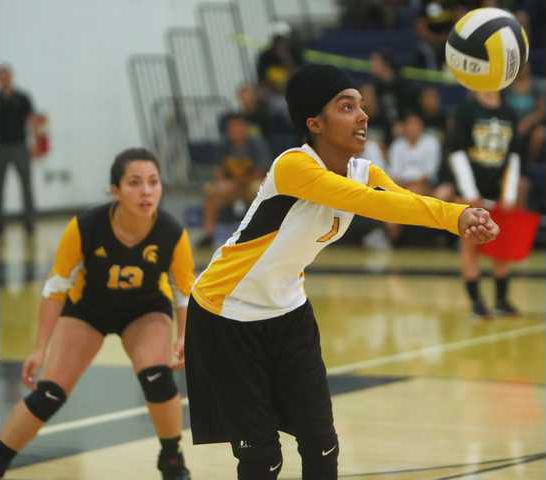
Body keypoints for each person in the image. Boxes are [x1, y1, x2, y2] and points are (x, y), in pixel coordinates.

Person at [184, 64, 499, 480]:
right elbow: (373, 203)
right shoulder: (294, 167)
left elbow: (401, 203)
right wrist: (455, 215)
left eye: (362, 106)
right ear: (314, 122)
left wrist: (463, 217)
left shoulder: (363, 171)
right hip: (226, 313)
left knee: (323, 445)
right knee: (262, 457)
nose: (363, 116)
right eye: (346, 107)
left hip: (288, 311)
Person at [0, 148, 194, 480]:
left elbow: (183, 293)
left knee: (157, 378)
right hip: (88, 310)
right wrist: (40, 347)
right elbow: (55, 288)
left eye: (153, 182)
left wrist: (185, 337)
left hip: (144, 310)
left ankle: (171, 458)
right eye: (134, 183)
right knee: (49, 394)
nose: (146, 191)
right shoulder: (86, 227)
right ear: (115, 190)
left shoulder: (172, 233)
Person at [448, 91, 521, 318]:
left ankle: (501, 300)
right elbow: (456, 152)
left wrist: (509, 194)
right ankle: (477, 303)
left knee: (502, 248)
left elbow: (514, 156)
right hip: (470, 194)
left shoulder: (509, 112)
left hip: (499, 195)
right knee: (470, 247)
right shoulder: (466, 110)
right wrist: (470, 193)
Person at [198, 113, 271, 247]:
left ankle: (263, 233)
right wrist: (222, 182)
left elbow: (261, 171)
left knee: (259, 188)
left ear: (245, 128)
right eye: (232, 127)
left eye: (238, 126)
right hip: (232, 186)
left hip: (250, 185)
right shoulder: (224, 145)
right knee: (211, 191)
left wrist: (238, 183)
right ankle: (208, 235)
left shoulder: (257, 144)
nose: (235, 130)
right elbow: (218, 170)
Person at [0, 64, 39, 239]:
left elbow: (32, 120)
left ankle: (29, 222)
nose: (5, 79)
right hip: (1, 147)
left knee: (26, 186)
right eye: (2, 77)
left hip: (20, 146)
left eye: (7, 76)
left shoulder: (22, 97)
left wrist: (34, 142)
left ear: (11, 77)